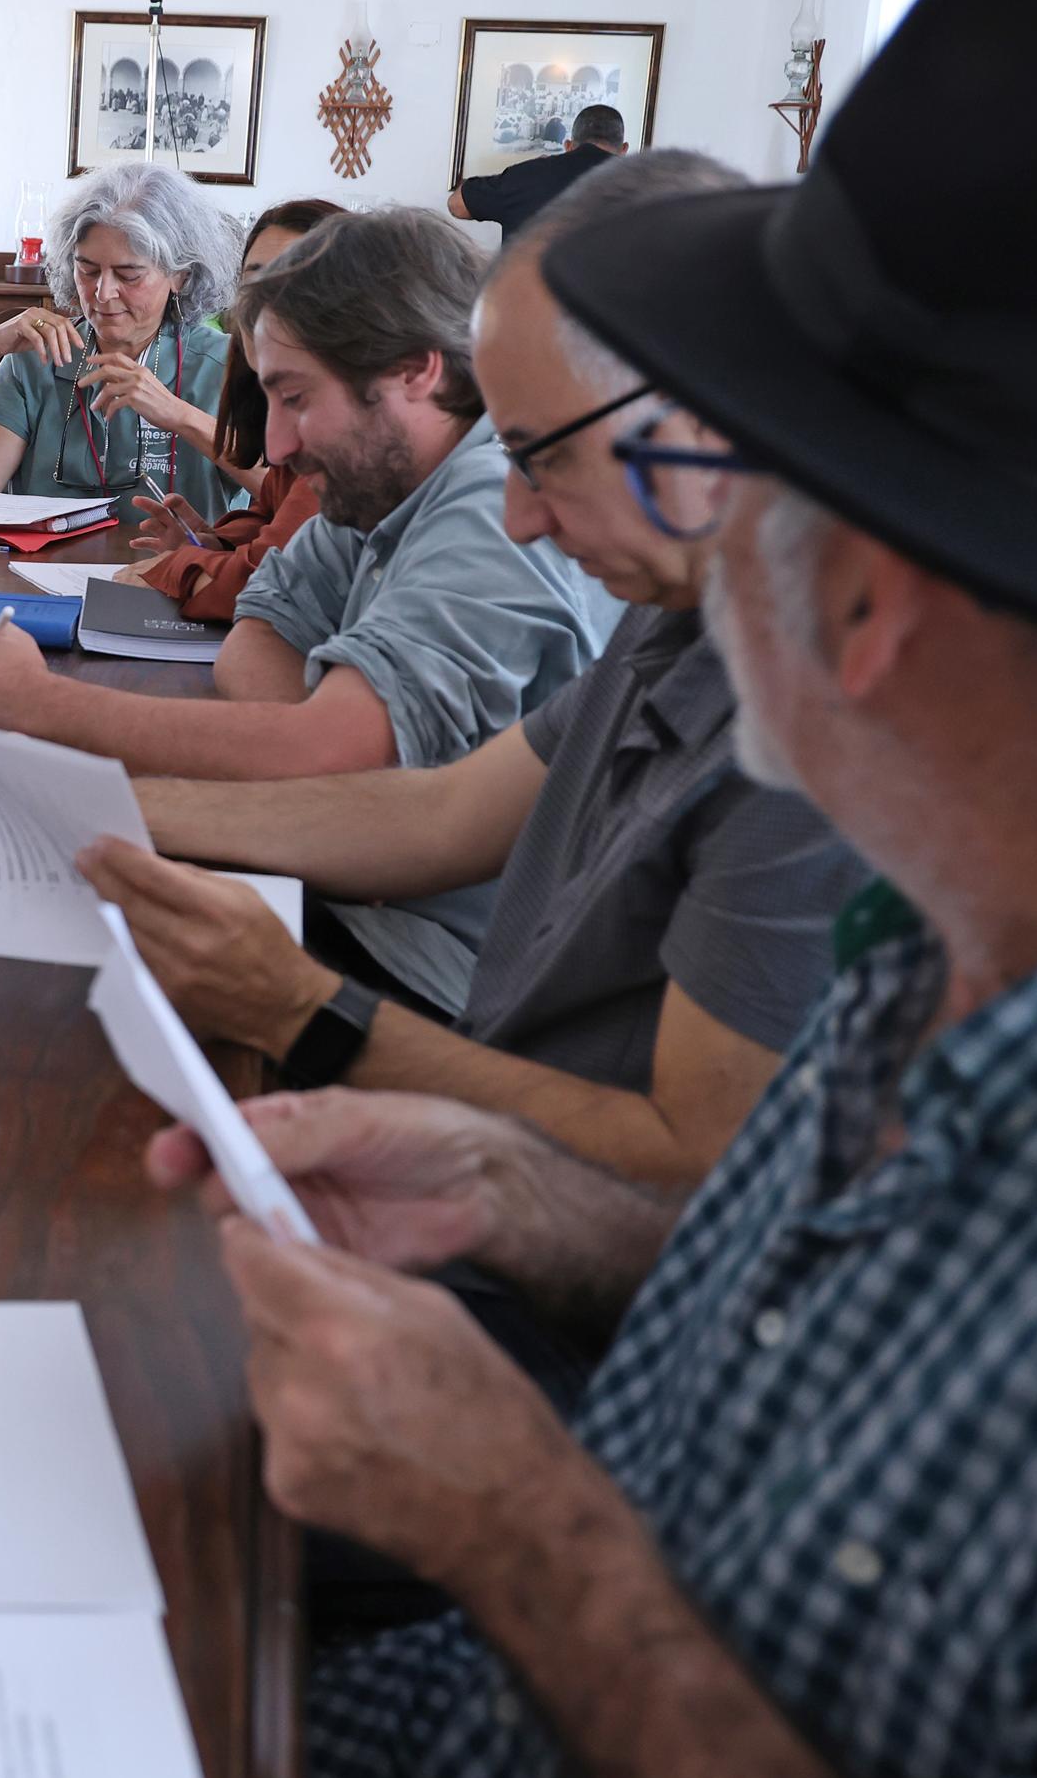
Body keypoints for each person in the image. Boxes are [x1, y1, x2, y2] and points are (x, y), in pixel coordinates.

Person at [156, 0, 1037, 1778]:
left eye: (744, 484)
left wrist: (523, 1535)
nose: (671, 533)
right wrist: (507, 1187)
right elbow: (815, 1327)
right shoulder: (977, 897)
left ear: (869, 604)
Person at [82, 151, 864, 1191]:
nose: (519, 514)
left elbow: (687, 1176)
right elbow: (438, 817)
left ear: (701, 416)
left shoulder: (817, 727)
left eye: (543, 459)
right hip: (494, 1068)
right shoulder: (681, 617)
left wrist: (298, 1007)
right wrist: (93, 816)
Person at [0, 207, 618, 1012]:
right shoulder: (377, 483)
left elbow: (330, 749)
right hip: (349, 888)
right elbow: (256, 641)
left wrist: (38, 706)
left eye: (294, 398)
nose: (280, 447)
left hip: (439, 968)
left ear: (415, 370)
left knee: (9, 972)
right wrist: (317, 758)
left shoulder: (484, 503)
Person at [0, 162, 240, 524]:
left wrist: (177, 414)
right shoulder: (34, 360)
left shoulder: (222, 365)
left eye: (129, 275)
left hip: (171, 575)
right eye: (88, 270)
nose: (103, 292)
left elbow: (281, 493)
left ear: (180, 275)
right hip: (39, 575)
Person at [124, 197, 341, 616]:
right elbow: (269, 512)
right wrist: (214, 543)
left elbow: (263, 583)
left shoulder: (349, 418)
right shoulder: (267, 380)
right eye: (255, 283)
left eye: (294, 284)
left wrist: (182, 567)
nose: (266, 304)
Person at [446, 103, 625, 243]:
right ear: (624, 149)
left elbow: (457, 205)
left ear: (568, 145)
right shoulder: (647, 188)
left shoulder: (527, 175)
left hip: (525, 289)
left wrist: (527, 170)